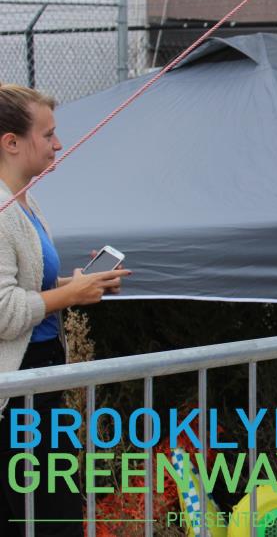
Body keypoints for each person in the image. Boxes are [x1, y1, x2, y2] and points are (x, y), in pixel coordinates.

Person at [0, 83, 131, 536]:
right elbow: (4, 311)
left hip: (39, 386)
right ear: (11, 142)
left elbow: (27, 288)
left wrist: (76, 285)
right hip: (17, 396)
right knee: (50, 519)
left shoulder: (25, 202)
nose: (59, 144)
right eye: (48, 134)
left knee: (46, 514)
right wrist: (71, 295)